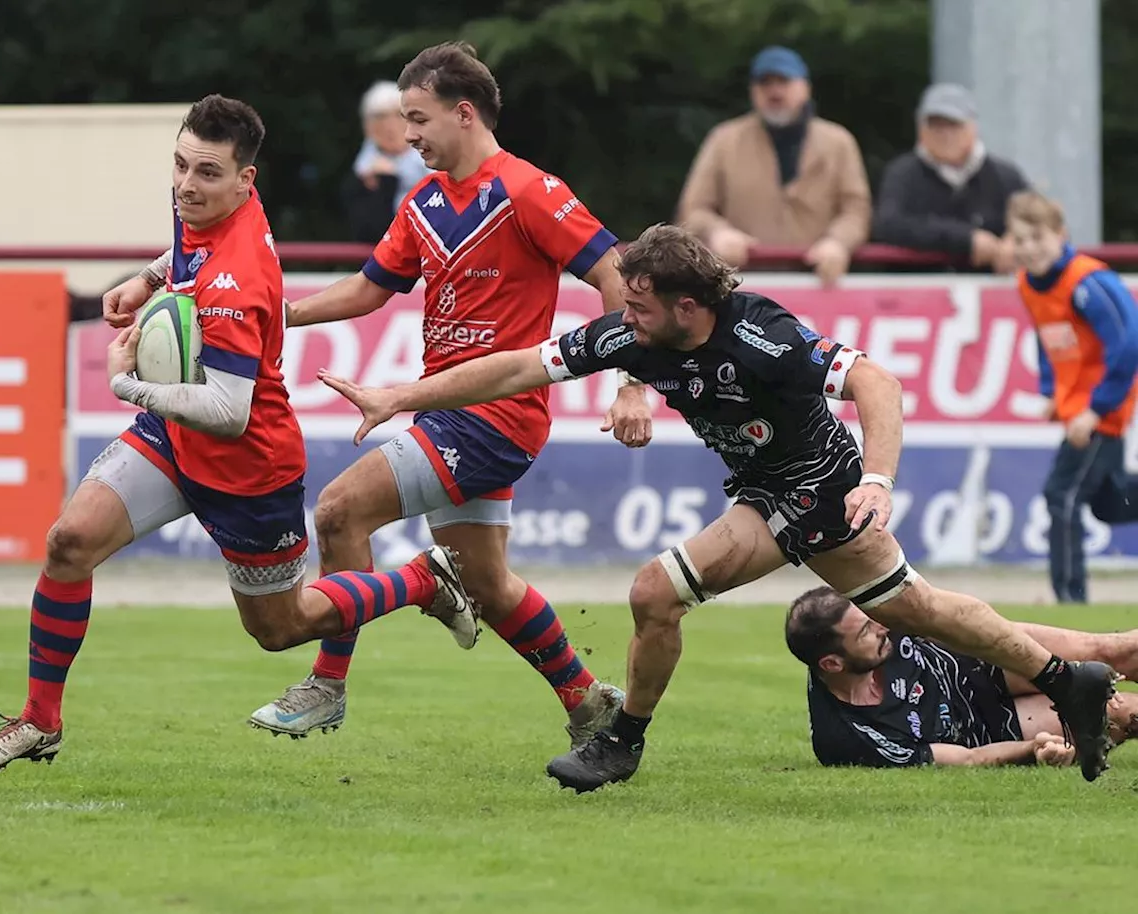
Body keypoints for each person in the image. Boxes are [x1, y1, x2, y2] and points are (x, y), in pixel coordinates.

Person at [316, 221, 1121, 791]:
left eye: (637, 306)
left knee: (676, 593)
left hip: (818, 490)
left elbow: (878, 382)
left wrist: (878, 479)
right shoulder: (636, 337)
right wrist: (401, 395)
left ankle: (621, 742)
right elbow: (514, 370)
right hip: (765, 492)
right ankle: (1064, 680)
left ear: (688, 308)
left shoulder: (763, 334)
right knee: (908, 609)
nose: (621, 318)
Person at [0, 95, 479, 773]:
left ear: (245, 181)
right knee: (69, 542)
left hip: (246, 468)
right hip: (174, 436)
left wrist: (126, 388)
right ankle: (38, 721)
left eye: (205, 173)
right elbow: (185, 246)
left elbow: (229, 411)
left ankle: (421, 581)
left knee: (280, 628)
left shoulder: (240, 279)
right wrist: (149, 278)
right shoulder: (201, 205)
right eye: (179, 165)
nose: (184, 184)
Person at [247, 41, 648, 747]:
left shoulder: (529, 190)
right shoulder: (423, 202)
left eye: (418, 118)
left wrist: (629, 384)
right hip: (450, 415)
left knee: (340, 513)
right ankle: (588, 703)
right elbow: (371, 288)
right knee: (488, 586)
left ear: (464, 114)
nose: (408, 135)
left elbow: (619, 275)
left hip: (495, 418)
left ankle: (328, 685)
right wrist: (278, 314)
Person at [787, 586, 1138, 768]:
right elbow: (967, 760)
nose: (880, 626)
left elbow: (936, 611)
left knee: (1111, 653)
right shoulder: (851, 739)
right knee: (1123, 713)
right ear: (832, 664)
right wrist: (1033, 750)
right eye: (865, 631)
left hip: (979, 658)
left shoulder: (877, 615)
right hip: (995, 728)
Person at [1007, 190, 1138, 603]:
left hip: (1099, 409)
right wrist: (1051, 391)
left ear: (1060, 234)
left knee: (1060, 495)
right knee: (1107, 502)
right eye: (1020, 240)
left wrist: (1097, 409)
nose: (1029, 249)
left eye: (1038, 238)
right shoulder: (1028, 284)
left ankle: (1070, 599)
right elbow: (1048, 340)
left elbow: (1129, 344)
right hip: (1078, 407)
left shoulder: (1087, 283)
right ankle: (1070, 596)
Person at [675, 46, 870, 286]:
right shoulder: (724, 140)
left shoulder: (838, 142)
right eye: (765, 83)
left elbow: (856, 210)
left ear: (805, 87)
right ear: (752, 91)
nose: (775, 91)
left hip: (817, 282)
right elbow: (693, 209)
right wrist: (717, 232)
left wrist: (838, 242)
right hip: (741, 283)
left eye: (784, 81)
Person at [872, 84, 1028, 273]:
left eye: (954, 125)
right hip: (919, 293)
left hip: (992, 294)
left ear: (973, 127)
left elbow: (1039, 221)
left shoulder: (1005, 176)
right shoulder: (902, 174)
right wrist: (967, 239)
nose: (945, 134)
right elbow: (888, 225)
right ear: (921, 130)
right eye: (935, 125)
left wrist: (1016, 241)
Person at [341, 80, 433, 243]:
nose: (390, 126)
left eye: (398, 116)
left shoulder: (437, 159)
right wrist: (386, 181)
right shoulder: (363, 172)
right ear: (367, 127)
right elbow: (369, 234)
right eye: (380, 118)